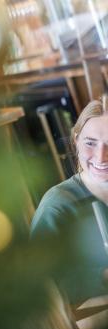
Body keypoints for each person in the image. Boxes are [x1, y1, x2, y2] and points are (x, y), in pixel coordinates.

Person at [31, 96, 108, 307]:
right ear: (76, 140)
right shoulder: (58, 205)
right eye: (90, 143)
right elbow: (40, 285)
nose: (101, 157)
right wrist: (102, 277)